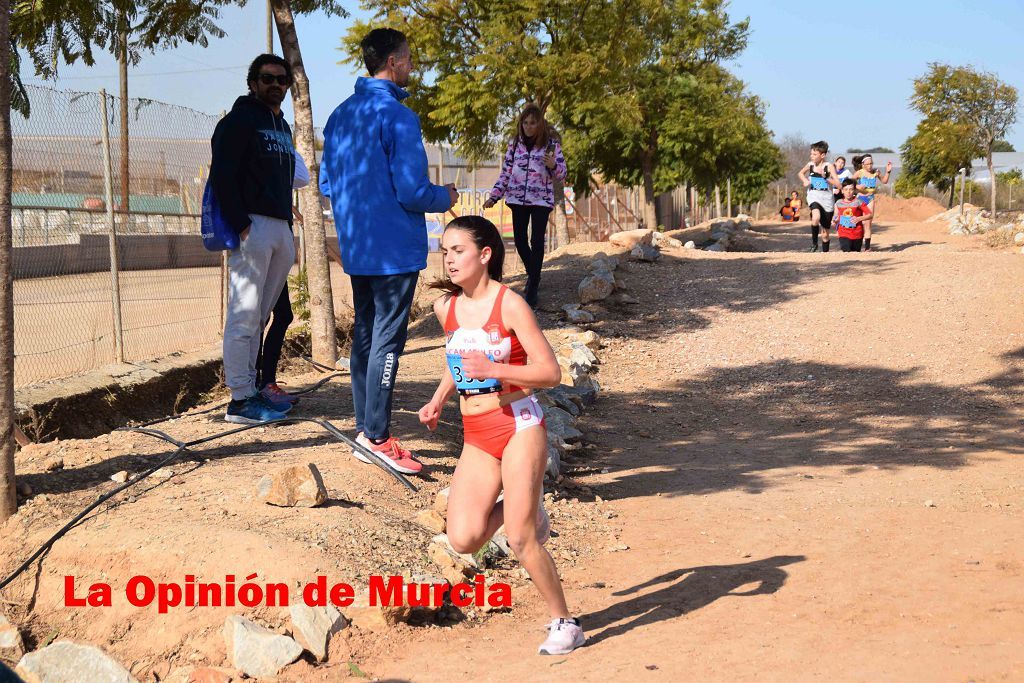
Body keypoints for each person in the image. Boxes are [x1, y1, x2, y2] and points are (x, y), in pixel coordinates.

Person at [417, 215, 586, 655]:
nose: (449, 259)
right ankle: (525, 506)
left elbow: (550, 372)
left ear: (485, 254)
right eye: (445, 252)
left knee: (520, 538)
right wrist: (438, 399)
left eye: (458, 251)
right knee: (464, 538)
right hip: (476, 432)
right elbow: (457, 362)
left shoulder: (510, 305)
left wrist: (496, 369)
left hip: (518, 424)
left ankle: (565, 622)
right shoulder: (445, 309)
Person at [319, 28, 458, 475]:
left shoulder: (340, 115)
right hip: (394, 248)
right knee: (388, 341)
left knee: (365, 332)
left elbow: (326, 184)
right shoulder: (399, 116)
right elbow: (413, 190)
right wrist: (446, 197)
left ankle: (365, 428)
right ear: (395, 62)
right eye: (410, 58)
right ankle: (376, 436)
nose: (412, 66)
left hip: (359, 245)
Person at [210, 54, 299, 424]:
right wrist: (241, 224)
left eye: (282, 80)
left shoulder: (282, 126)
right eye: (267, 78)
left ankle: (253, 390)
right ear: (253, 82)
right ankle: (240, 399)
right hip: (254, 227)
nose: (275, 84)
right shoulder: (239, 120)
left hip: (279, 226)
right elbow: (223, 174)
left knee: (261, 315)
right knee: (244, 315)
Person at [482, 104, 567, 309]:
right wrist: (495, 196)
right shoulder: (514, 144)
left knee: (537, 241)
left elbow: (562, 174)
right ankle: (534, 273)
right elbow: (506, 172)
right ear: (521, 124)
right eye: (525, 122)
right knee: (520, 241)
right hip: (517, 199)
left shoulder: (550, 144)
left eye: (533, 123)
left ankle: (533, 287)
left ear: (540, 124)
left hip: (541, 200)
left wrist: (553, 165)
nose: (529, 127)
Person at [253, 152, 310, 407]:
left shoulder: (276, 143)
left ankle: (265, 383)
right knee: (260, 317)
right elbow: (299, 175)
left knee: (281, 314)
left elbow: (302, 177)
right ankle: (257, 385)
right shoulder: (257, 144)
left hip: (276, 238)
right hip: (261, 239)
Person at [798, 141, 841, 252]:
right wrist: (805, 180)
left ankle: (825, 253)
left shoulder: (829, 166)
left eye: (814, 154)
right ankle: (814, 244)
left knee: (825, 234)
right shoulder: (810, 165)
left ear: (822, 155)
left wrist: (826, 177)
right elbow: (800, 173)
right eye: (811, 154)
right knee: (815, 217)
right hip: (813, 196)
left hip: (827, 200)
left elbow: (839, 185)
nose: (811, 156)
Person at [852, 154, 893, 251]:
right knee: (858, 223)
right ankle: (855, 244)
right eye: (867, 164)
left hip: (870, 198)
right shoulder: (859, 173)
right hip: (860, 199)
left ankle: (867, 247)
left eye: (871, 163)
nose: (870, 166)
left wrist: (888, 172)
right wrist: (857, 187)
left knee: (868, 223)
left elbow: (884, 181)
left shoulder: (876, 172)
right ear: (863, 165)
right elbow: (849, 182)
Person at [831, 179, 872, 252]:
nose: (848, 192)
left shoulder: (858, 202)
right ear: (842, 191)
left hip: (857, 234)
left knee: (855, 255)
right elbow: (836, 216)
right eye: (846, 189)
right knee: (846, 252)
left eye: (851, 189)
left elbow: (870, 214)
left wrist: (859, 218)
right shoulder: (838, 203)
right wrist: (835, 220)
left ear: (854, 191)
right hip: (843, 233)